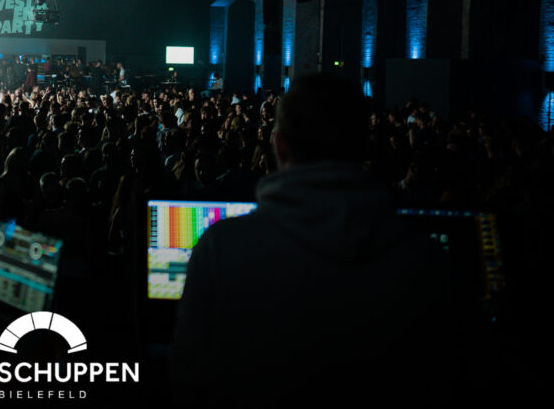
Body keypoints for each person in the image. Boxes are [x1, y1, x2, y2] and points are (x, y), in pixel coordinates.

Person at [170, 73, 453, 408]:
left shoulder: (222, 247)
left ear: (279, 145)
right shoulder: (427, 259)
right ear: (364, 145)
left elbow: (190, 377)